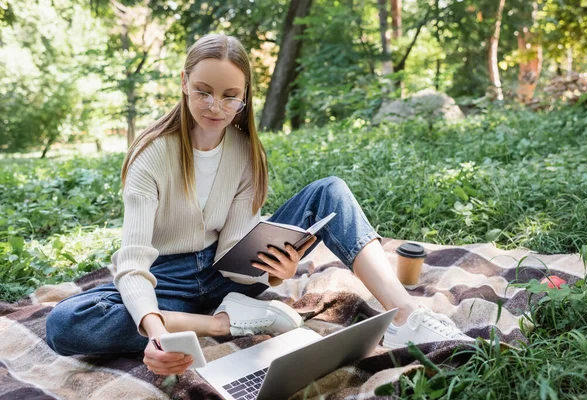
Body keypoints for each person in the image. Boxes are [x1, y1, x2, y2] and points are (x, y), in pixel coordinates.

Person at [45, 34, 470, 376]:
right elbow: (133, 262)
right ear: (183, 83)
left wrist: (273, 270)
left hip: (220, 273)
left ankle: (405, 318)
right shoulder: (152, 155)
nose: (216, 107)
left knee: (331, 189)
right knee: (66, 322)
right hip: (166, 279)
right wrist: (157, 333)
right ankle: (222, 321)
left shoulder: (246, 153)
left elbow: (234, 251)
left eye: (231, 96)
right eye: (203, 92)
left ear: (245, 94)